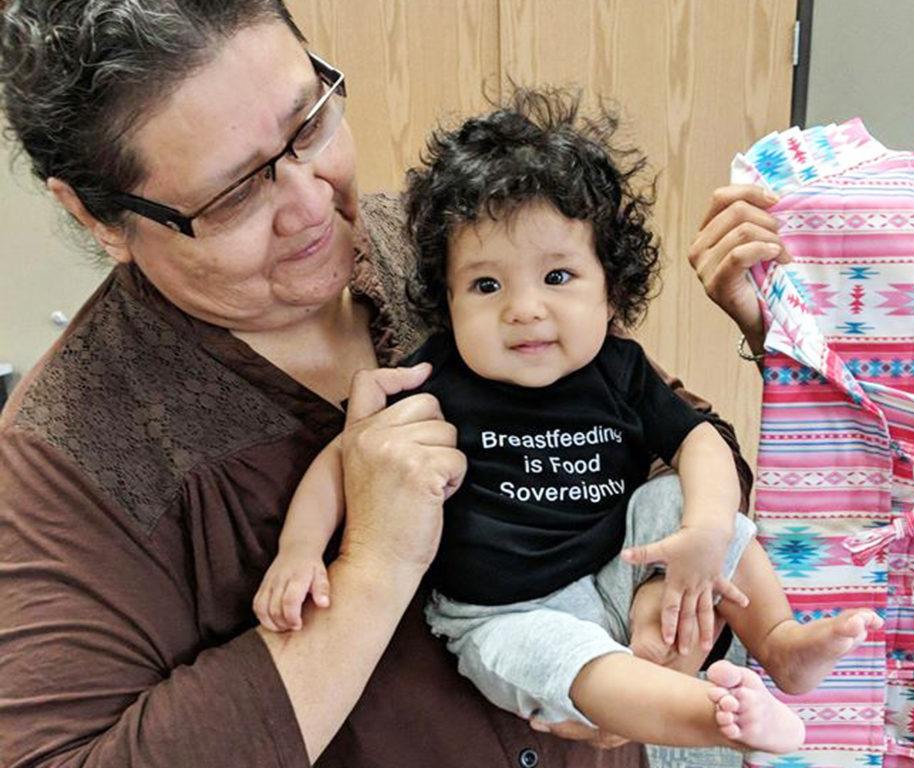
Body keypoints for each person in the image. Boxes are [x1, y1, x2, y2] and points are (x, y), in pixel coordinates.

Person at [0, 2, 758, 766]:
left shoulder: (443, 251)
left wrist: (667, 603)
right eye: (232, 196)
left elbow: (666, 428)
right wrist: (373, 568)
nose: (310, 205)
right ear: (98, 218)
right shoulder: (68, 455)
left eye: (311, 125)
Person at [253, 90, 883, 754]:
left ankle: (779, 643)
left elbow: (700, 441)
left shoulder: (620, 369)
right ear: (447, 298)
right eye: (486, 286)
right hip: (507, 614)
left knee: (678, 496)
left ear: (611, 288)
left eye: (557, 275)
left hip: (620, 565)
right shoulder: (435, 376)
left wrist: (704, 528)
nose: (523, 310)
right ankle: (718, 718)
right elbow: (346, 456)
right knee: (580, 665)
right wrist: (299, 551)